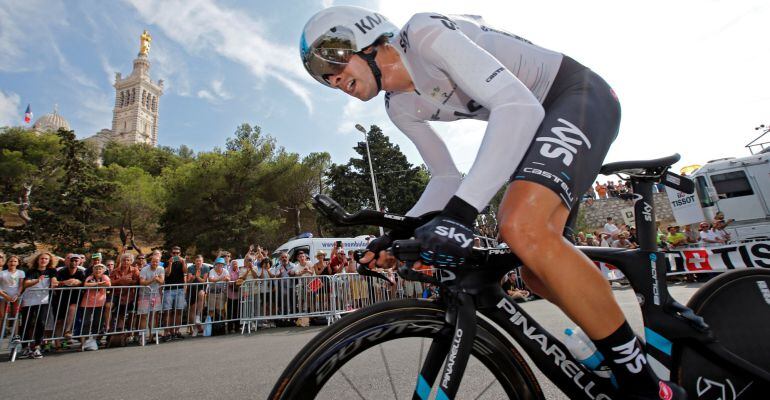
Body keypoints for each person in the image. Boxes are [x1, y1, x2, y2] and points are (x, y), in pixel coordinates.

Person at [302, 6, 683, 398]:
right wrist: (400, 230)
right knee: (536, 269)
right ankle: (621, 349)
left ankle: (646, 387)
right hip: (536, 124)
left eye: (329, 59)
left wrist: (461, 215)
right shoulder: (399, 105)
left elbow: (518, 108)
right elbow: (446, 177)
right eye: (321, 77)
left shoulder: (423, 34)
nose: (330, 79)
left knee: (520, 225)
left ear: (364, 36)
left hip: (575, 95)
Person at [20, 252, 58, 358]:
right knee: (26, 323)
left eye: (46, 259)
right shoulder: (31, 271)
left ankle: (37, 346)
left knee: (41, 322)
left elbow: (54, 280)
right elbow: (26, 283)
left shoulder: (51, 270)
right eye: (42, 258)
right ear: (37, 260)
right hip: (29, 300)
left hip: (43, 300)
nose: (44, 260)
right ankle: (25, 347)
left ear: (49, 261)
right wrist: (37, 280)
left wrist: (54, 282)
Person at [79, 264, 110, 351]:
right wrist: (99, 284)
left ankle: (93, 341)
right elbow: (86, 284)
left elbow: (108, 284)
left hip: (99, 303)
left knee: (97, 322)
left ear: (103, 271)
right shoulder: (90, 277)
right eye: (96, 269)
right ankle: (83, 342)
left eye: (100, 269)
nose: (98, 271)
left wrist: (94, 284)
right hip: (87, 303)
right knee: (86, 322)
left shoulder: (105, 277)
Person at [162, 247, 187, 341]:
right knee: (168, 311)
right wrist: (170, 263)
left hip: (180, 289)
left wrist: (184, 262)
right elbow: (167, 274)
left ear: (180, 253)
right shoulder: (166, 262)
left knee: (179, 311)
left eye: (177, 253)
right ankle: (167, 332)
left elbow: (185, 272)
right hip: (169, 289)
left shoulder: (182, 262)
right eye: (174, 253)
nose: (176, 255)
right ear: (171, 253)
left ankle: (176, 331)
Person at [137, 254, 164, 333]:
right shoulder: (144, 269)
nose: (155, 263)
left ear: (159, 262)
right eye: (153, 262)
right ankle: (142, 336)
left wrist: (157, 279)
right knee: (144, 316)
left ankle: (153, 336)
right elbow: (142, 282)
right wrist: (152, 280)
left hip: (156, 294)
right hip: (144, 295)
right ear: (150, 262)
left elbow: (162, 282)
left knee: (154, 316)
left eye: (156, 262)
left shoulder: (161, 269)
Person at [0, 255, 24, 340]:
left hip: (15, 296)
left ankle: (16, 334)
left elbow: (21, 285)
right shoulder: (2, 273)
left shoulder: (21, 272)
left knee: (15, 315)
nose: (12, 263)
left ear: (18, 263)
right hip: (3, 296)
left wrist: (17, 294)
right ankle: (2, 333)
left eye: (15, 261)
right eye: (10, 261)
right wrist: (4, 295)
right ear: (7, 262)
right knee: (2, 315)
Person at [186, 255, 209, 336]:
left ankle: (198, 316)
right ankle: (195, 328)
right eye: (197, 261)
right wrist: (193, 278)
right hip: (192, 289)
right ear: (194, 261)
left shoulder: (206, 268)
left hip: (201, 288)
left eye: (200, 260)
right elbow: (188, 281)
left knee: (202, 294)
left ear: (202, 261)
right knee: (192, 309)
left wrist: (197, 277)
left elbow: (204, 281)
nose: (198, 262)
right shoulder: (191, 268)